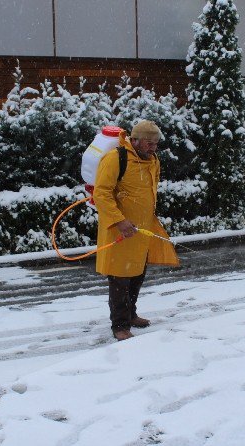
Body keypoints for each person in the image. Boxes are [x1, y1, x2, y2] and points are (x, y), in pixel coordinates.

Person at [93, 120, 180, 341]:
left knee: (137, 275)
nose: (153, 148)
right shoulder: (115, 158)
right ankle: (119, 326)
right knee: (120, 278)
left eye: (156, 144)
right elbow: (101, 194)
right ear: (135, 141)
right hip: (120, 230)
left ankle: (131, 315)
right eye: (149, 143)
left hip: (142, 230)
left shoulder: (153, 160)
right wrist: (120, 221)